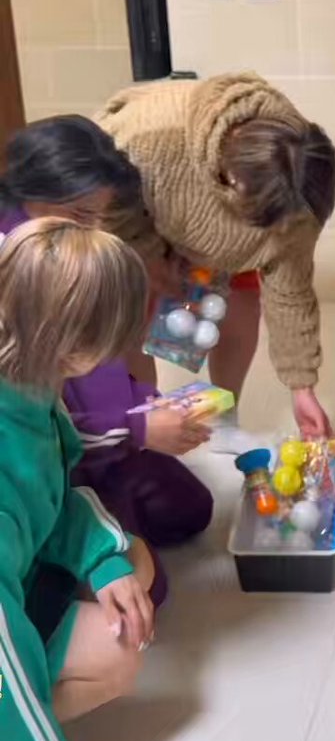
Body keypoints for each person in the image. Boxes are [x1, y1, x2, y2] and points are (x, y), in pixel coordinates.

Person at [0, 116, 214, 604]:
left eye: (99, 216)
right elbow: (38, 427)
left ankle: (110, 507)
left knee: (190, 510)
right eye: (80, 215)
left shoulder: (67, 248)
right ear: (32, 195)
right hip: (42, 468)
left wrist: (143, 410)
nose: (92, 230)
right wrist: (135, 428)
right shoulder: (22, 270)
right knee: (146, 589)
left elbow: (97, 362)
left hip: (94, 441)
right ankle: (53, 575)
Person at [0, 218, 155, 741]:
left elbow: (55, 496)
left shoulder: (28, 376)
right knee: (117, 649)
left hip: (19, 569)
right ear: (69, 345)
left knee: (134, 569)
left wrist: (105, 557)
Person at [96, 73, 335, 438]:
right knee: (130, 316)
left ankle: (226, 416)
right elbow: (108, 206)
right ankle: (145, 423)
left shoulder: (299, 174)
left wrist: (301, 388)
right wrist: (153, 261)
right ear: (232, 180)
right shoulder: (146, 138)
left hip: (212, 219)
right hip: (139, 218)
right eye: (267, 224)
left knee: (242, 297)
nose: (277, 237)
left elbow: (291, 291)